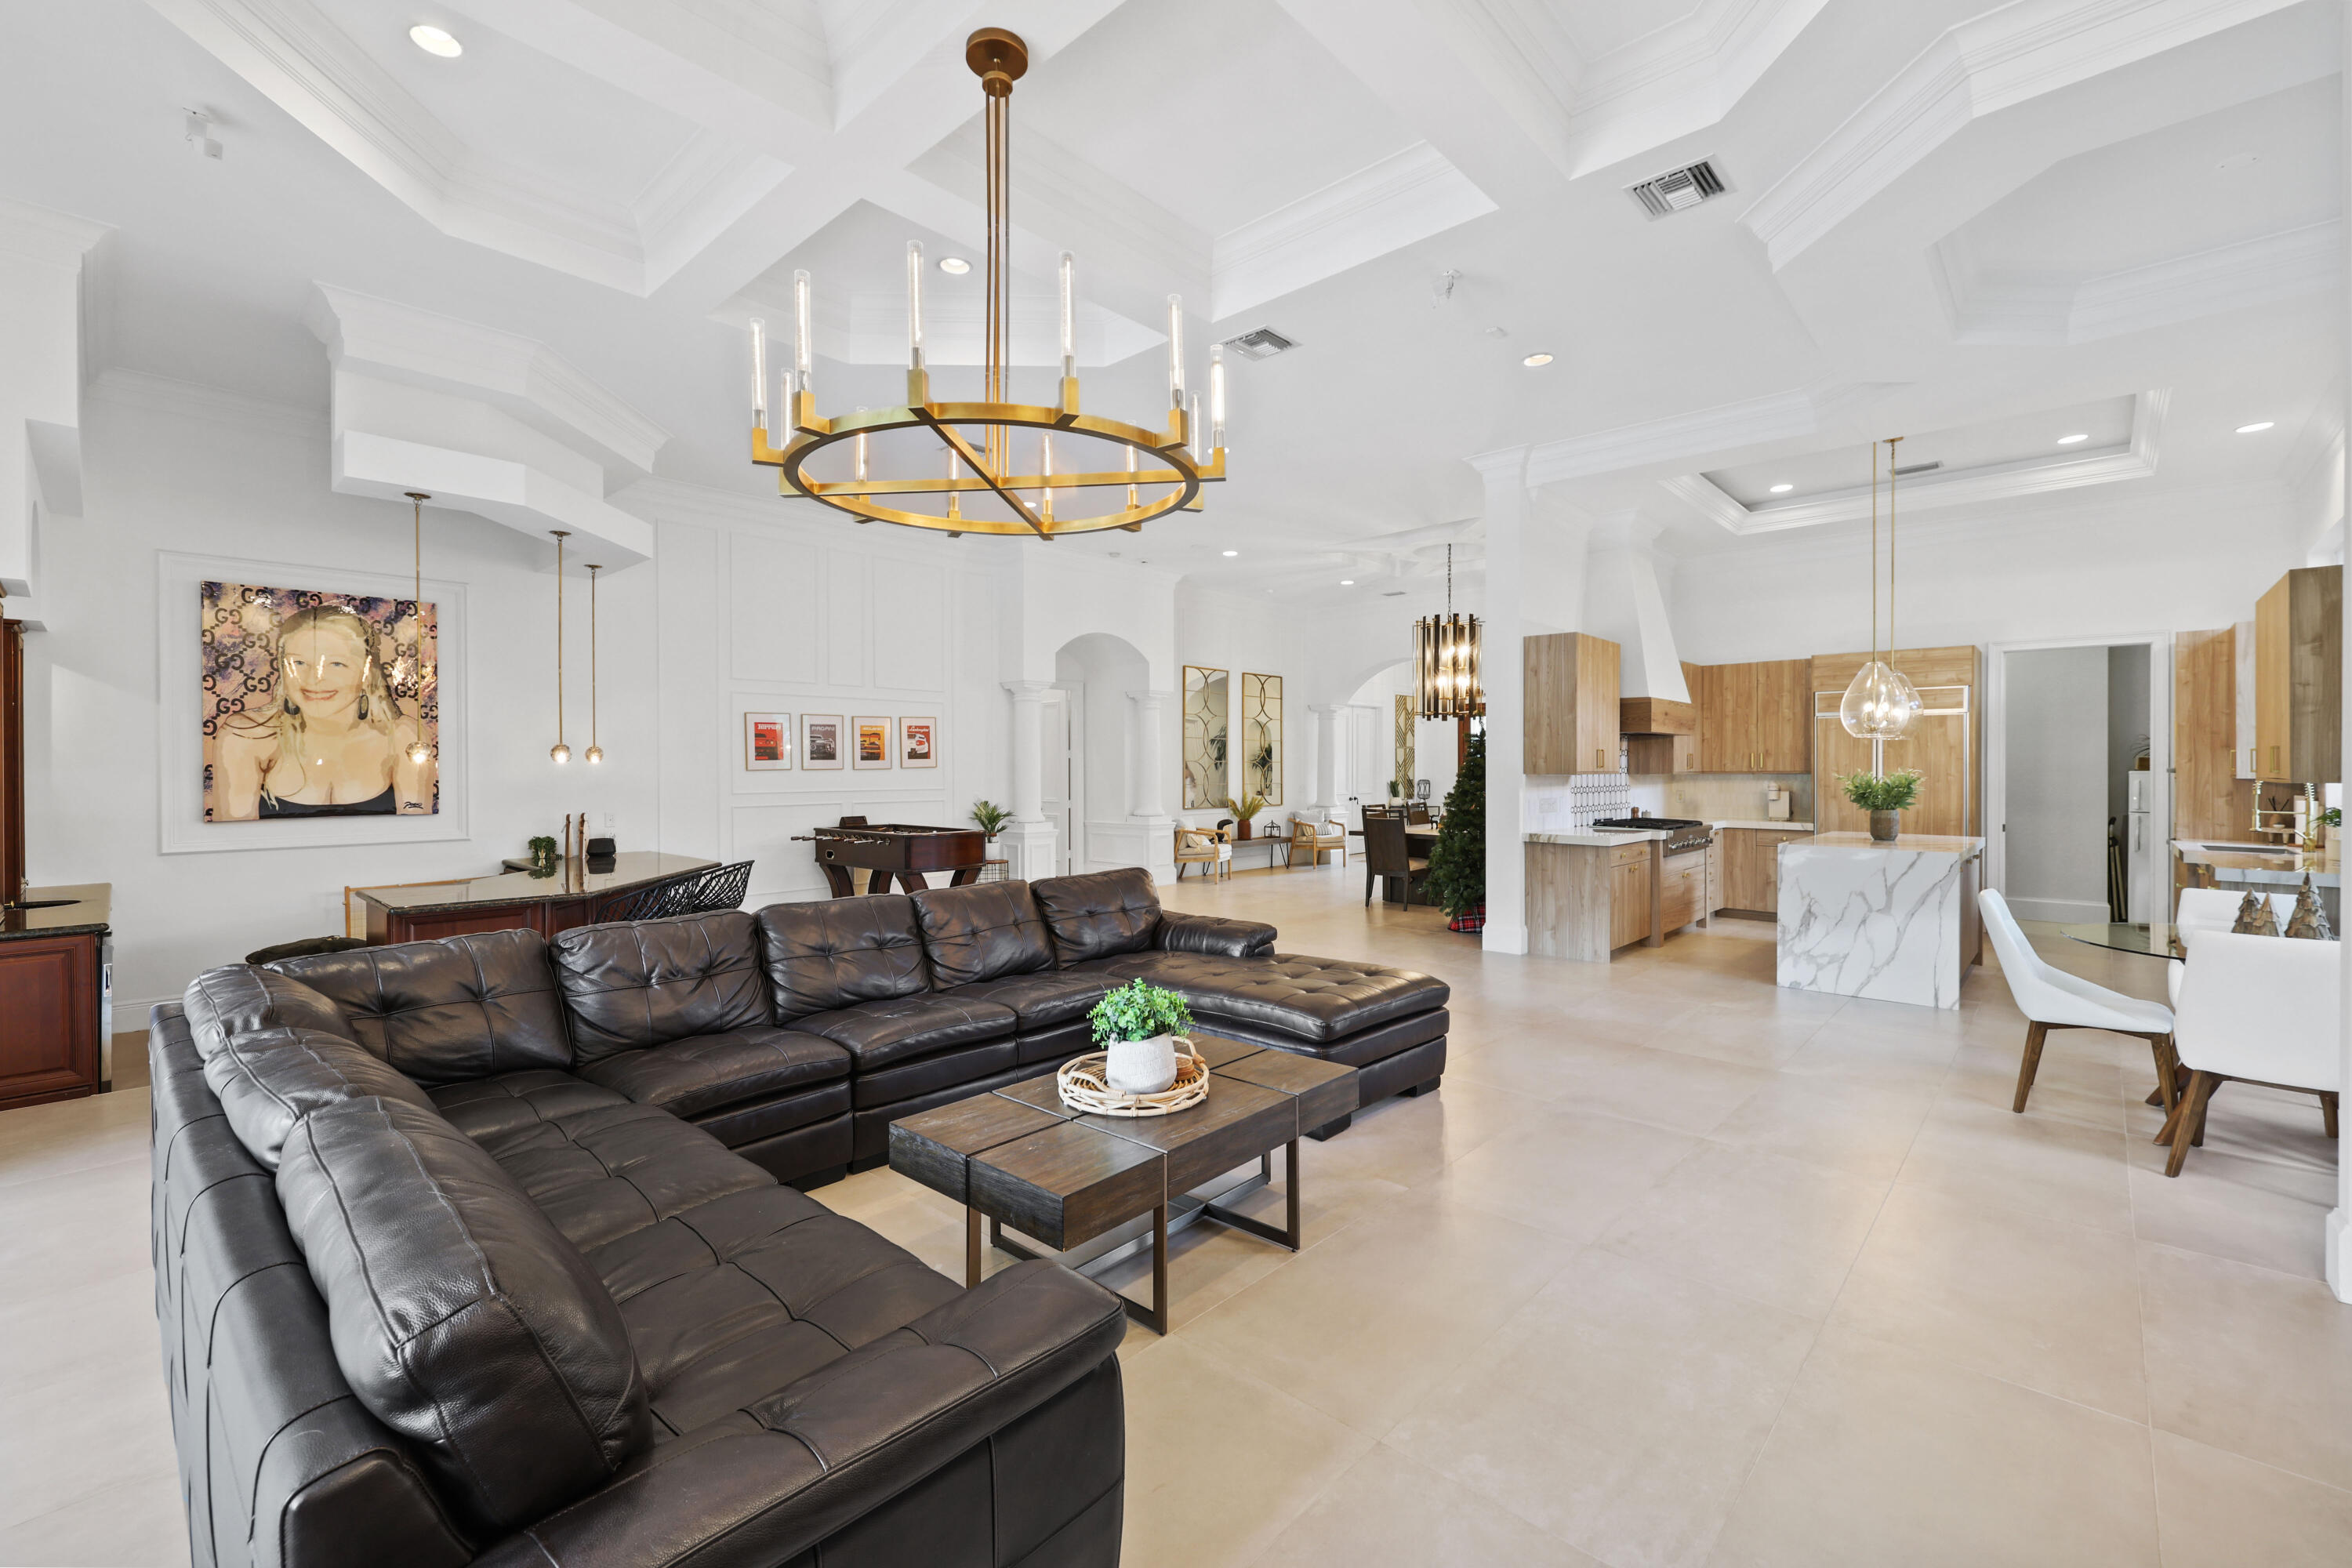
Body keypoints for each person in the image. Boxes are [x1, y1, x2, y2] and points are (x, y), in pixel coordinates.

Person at [211, 604, 434, 818]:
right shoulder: (246, 735)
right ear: (282, 667)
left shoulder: (403, 736)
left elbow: (417, 830)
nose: (314, 679)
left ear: (366, 671)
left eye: (336, 664)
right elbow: (231, 842)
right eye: (299, 663)